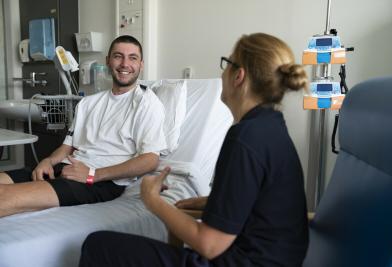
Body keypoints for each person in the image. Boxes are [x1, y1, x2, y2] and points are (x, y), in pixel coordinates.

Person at [79, 33, 309, 267]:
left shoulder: (244, 138)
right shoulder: (270, 125)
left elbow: (210, 245)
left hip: (242, 261)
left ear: (239, 76)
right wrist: (212, 202)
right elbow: (260, 202)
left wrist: (152, 199)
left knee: (98, 245)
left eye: (226, 64)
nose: (223, 73)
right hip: (277, 259)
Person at [0, 35, 167, 218]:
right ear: (108, 61)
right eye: (118, 56)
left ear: (141, 65)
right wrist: (49, 161)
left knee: (4, 198)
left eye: (132, 58)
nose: (124, 64)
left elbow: (150, 159)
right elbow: (68, 146)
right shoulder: (88, 103)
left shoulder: (147, 103)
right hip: (66, 169)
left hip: (100, 182)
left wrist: (93, 175)